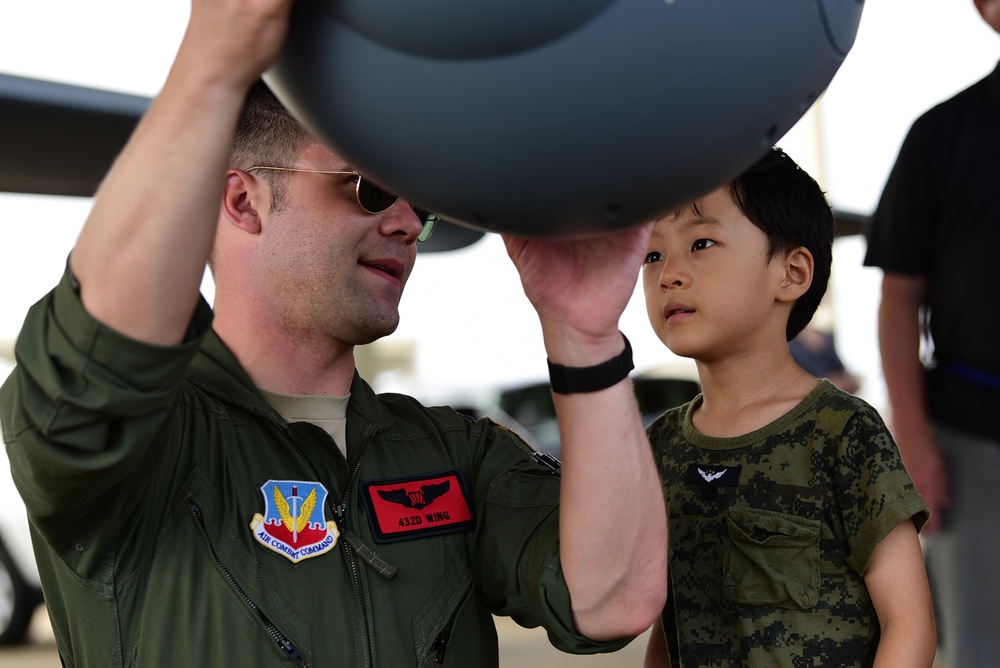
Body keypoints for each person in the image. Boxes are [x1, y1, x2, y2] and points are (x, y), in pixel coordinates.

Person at [0, 0, 668, 665]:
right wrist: (213, 62)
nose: (408, 223)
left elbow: (611, 602)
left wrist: (585, 336)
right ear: (242, 202)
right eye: (370, 189)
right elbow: (97, 362)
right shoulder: (149, 453)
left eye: (421, 202)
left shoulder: (452, 455)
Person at [640, 148, 935, 667]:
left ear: (792, 273)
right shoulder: (658, 446)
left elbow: (908, 623)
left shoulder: (843, 432)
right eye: (652, 254)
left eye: (701, 243)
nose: (669, 275)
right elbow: (670, 630)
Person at [863, 2, 1000, 664]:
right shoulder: (941, 135)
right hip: (975, 440)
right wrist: (914, 445)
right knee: (980, 646)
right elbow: (898, 301)